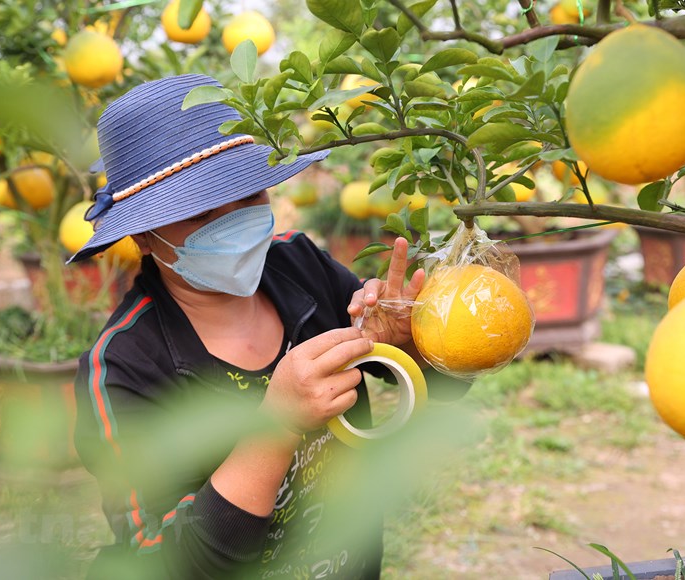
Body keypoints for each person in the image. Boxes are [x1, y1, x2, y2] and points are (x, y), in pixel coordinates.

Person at [69, 73, 460, 580]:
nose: (237, 220)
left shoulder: (300, 267)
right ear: (143, 237)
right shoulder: (123, 369)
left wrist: (413, 346)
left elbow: (437, 390)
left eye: (248, 196)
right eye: (203, 212)